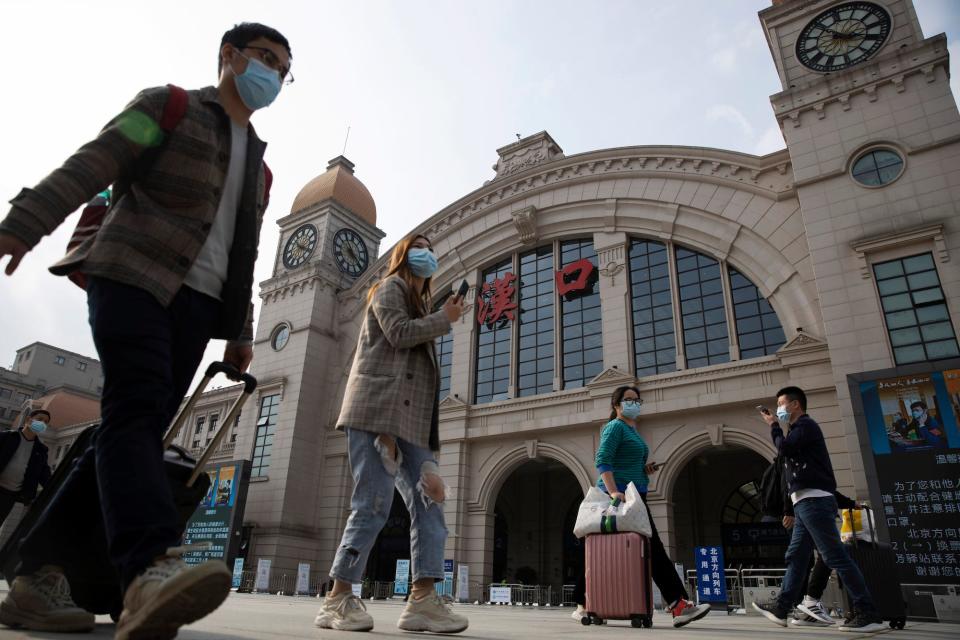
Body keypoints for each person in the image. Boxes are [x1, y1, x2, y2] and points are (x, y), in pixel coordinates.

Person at [0, 22, 292, 638]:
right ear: (229, 56)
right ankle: (149, 567)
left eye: (283, 71)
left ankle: (38, 575)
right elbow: (95, 161)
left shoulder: (261, 170)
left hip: (197, 307)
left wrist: (241, 332)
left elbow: (245, 253)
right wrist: (26, 219)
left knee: (128, 429)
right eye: (265, 59)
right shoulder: (168, 106)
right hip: (132, 276)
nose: (272, 76)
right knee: (134, 412)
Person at [314, 234, 468, 634]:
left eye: (433, 247)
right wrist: (443, 320)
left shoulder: (421, 304)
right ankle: (337, 596)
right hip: (375, 411)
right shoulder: (388, 288)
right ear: (403, 255)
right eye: (419, 246)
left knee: (432, 498)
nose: (428, 253)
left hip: (412, 423)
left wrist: (428, 447)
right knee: (373, 504)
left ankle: (423, 600)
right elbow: (398, 334)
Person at [571, 385, 711, 628]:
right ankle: (678, 604)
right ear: (616, 405)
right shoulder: (615, 426)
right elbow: (602, 460)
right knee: (651, 548)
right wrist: (614, 490)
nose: (634, 403)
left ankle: (583, 602)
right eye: (628, 400)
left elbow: (625, 461)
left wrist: (645, 469)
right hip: (617, 497)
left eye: (637, 400)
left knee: (634, 548)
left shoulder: (631, 430)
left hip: (634, 495)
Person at [754, 387, 885, 633]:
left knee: (835, 556)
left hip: (814, 503)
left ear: (795, 405)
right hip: (805, 503)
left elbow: (784, 450)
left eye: (782, 404)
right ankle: (782, 607)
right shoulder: (798, 431)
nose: (779, 408)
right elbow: (816, 474)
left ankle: (867, 611)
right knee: (797, 556)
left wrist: (773, 425)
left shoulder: (805, 427)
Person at [784, 489, 858, 627]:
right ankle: (805, 603)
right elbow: (820, 486)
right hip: (809, 509)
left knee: (800, 558)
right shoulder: (807, 472)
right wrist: (788, 511)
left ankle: (793, 608)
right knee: (830, 555)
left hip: (803, 510)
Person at [0, 408, 53, 527]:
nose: (42, 423)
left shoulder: (41, 450)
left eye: (46, 422)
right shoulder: (7, 437)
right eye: (40, 419)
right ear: (29, 420)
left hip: (10, 496)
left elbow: (44, 475)